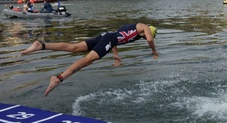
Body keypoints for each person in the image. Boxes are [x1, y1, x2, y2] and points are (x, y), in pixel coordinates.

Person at [21, 23, 158, 96]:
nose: (145, 37)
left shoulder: (130, 26)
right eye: (145, 36)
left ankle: (41, 45)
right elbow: (150, 40)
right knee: (87, 60)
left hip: (106, 36)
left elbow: (114, 37)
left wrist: (116, 55)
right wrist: (154, 51)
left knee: (74, 47)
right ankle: (59, 78)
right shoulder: (144, 26)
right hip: (109, 38)